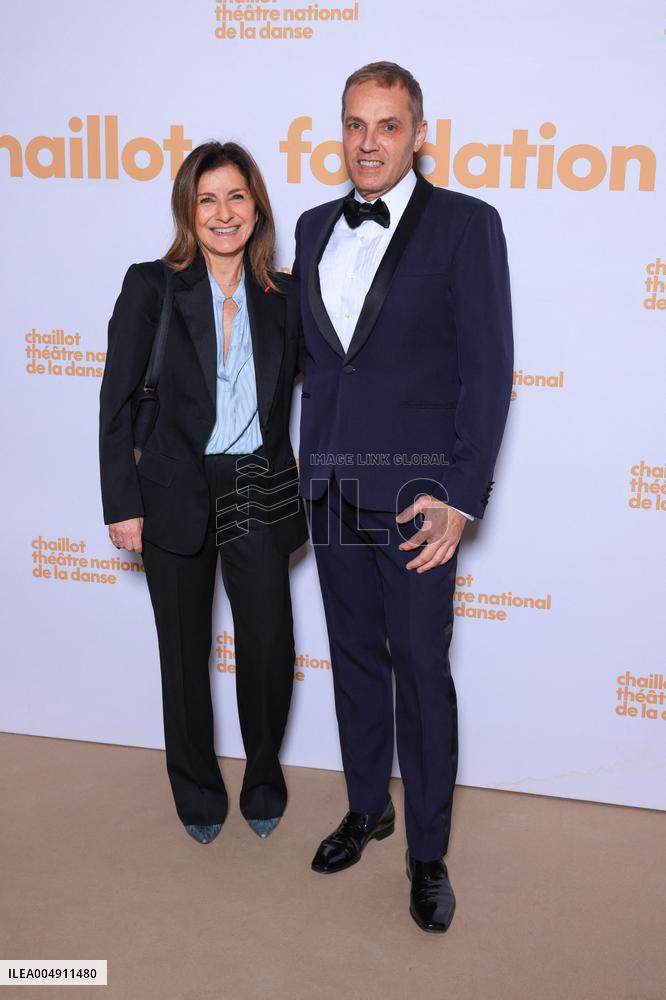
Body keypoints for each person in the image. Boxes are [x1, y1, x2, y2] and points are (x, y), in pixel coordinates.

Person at [293, 62, 513, 931]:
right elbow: (314, 363)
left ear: (419, 132)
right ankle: (365, 807)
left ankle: (427, 854)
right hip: (333, 489)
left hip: (421, 497)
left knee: (421, 675)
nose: (369, 142)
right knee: (353, 661)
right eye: (355, 124)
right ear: (340, 130)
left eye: (388, 125)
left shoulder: (467, 225)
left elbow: (488, 370)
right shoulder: (311, 228)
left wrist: (462, 493)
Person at [99, 141, 307, 845]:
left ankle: (264, 779)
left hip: (258, 481)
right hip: (173, 486)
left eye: (236, 197)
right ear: (189, 210)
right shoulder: (151, 286)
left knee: (270, 647)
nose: (224, 213)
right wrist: (122, 503)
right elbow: (117, 403)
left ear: (257, 207)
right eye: (208, 199)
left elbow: (343, 379)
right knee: (184, 654)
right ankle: (195, 789)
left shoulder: (288, 296)